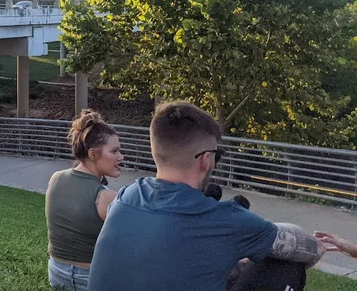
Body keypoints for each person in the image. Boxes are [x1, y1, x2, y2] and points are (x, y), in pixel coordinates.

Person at [87, 101, 328, 291]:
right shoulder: (226, 219)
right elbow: (311, 250)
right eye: (217, 154)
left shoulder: (125, 197)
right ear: (206, 159)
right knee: (285, 266)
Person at [45, 110, 124, 291]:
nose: (121, 157)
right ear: (93, 154)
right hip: (88, 279)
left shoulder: (55, 178)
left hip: (56, 273)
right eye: (115, 151)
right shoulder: (106, 197)